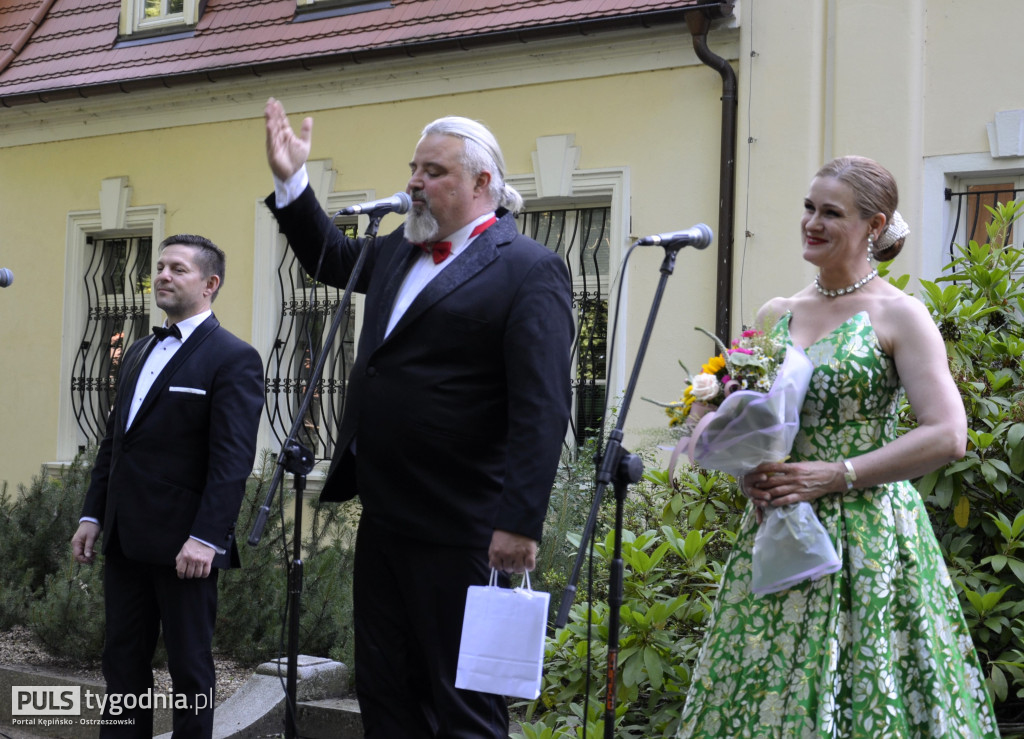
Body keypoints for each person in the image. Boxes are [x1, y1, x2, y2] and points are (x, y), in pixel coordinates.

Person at [263, 98, 574, 737]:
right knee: (386, 692)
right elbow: (327, 258)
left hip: (465, 526)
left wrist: (519, 524)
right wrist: (292, 181)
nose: (413, 182)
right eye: (414, 168)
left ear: (483, 183)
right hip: (385, 516)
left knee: (463, 706)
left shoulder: (528, 270)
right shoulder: (396, 251)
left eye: (433, 171)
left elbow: (542, 408)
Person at [676, 156, 999, 737]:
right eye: (809, 208)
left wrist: (837, 473)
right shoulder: (776, 314)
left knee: (865, 686)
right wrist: (745, 465)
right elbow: (741, 411)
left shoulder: (900, 314)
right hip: (779, 529)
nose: (813, 223)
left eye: (831, 213)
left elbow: (947, 433)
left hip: (868, 537)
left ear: (875, 226)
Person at [71, 234, 265, 739]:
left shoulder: (233, 358)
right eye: (160, 266)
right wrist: (93, 515)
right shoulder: (137, 351)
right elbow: (115, 444)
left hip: (186, 548)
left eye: (178, 268)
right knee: (122, 664)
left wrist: (206, 537)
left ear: (210, 284)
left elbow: (232, 462)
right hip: (125, 539)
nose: (163, 275)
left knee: (189, 670)